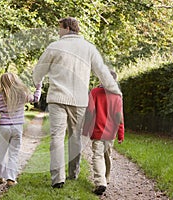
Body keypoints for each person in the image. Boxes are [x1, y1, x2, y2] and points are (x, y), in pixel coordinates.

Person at [32, 17, 122, 188]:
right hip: (79, 100)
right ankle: (73, 172)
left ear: (66, 28)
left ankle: (58, 178)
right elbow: (102, 72)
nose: (58, 31)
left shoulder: (54, 46)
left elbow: (38, 71)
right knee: (75, 137)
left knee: (57, 138)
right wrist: (116, 91)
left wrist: (37, 81)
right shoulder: (88, 48)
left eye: (59, 28)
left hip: (57, 99)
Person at [0, 72, 42, 187]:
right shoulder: (22, 94)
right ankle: (11, 179)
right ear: (16, 81)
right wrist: (38, 86)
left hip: (4, 127)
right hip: (17, 127)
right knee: (13, 153)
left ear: (1, 83)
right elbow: (35, 98)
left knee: (1, 151)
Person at [83, 70, 124, 195]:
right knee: (106, 155)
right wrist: (120, 133)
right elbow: (119, 117)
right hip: (110, 133)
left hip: (97, 131)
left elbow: (89, 112)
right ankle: (105, 178)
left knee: (98, 156)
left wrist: (85, 129)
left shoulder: (95, 92)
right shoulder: (117, 96)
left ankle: (101, 182)